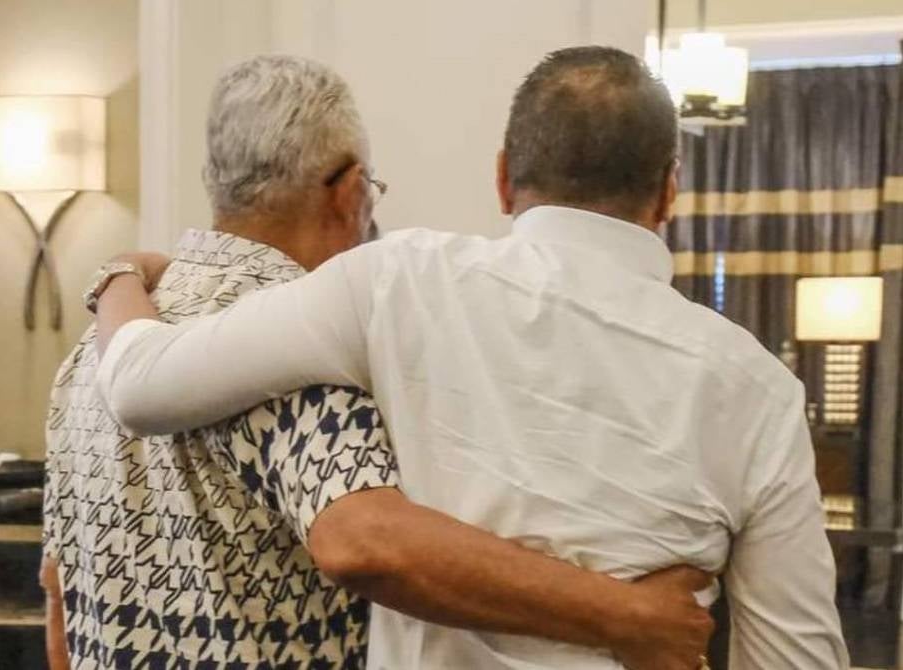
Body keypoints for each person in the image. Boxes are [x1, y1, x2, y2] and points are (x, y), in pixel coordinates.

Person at [93, 46, 851, 669]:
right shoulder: (759, 389)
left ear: (502, 177)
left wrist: (119, 274)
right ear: (669, 192)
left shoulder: (394, 283)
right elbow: (797, 659)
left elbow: (139, 385)